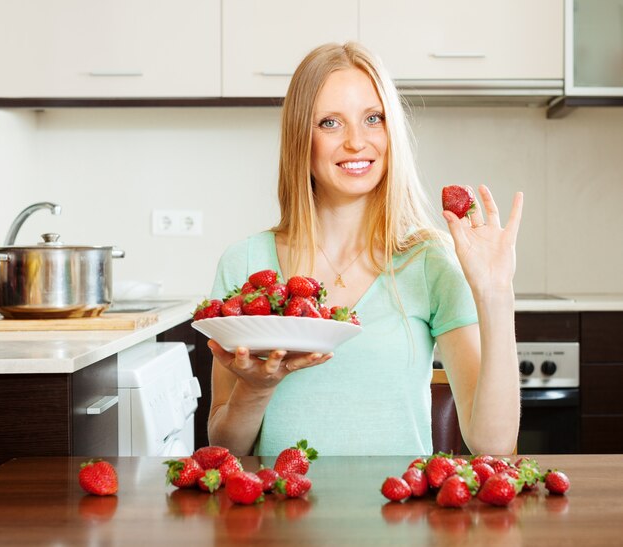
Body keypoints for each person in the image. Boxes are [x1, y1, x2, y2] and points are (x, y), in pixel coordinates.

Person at [206, 42, 523, 457]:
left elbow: (495, 446)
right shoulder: (244, 263)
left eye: (373, 118)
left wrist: (496, 294)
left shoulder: (429, 262)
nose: (357, 142)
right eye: (330, 123)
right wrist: (256, 386)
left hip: (399, 517)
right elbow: (224, 447)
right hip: (282, 518)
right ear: (302, 137)